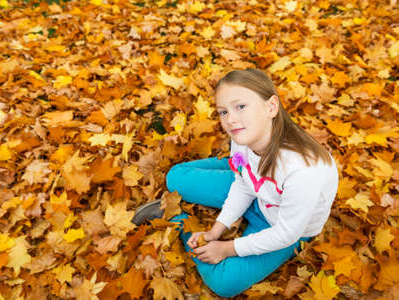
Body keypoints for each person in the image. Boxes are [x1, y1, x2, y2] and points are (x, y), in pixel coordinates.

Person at [132, 68, 339, 298]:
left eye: (240, 107)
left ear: (271, 107)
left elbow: (286, 234)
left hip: (280, 226)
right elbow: (243, 184)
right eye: (223, 112)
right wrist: (216, 230)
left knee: (224, 283)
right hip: (256, 191)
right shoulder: (242, 137)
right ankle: (231, 165)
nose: (230, 119)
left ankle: (176, 220)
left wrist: (226, 248)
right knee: (175, 178)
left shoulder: (302, 170)